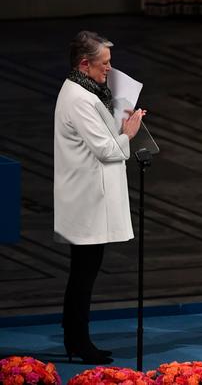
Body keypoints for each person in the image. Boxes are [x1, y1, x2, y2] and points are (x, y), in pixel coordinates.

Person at [54, 31, 145, 364]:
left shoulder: (86, 91)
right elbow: (106, 149)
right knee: (83, 274)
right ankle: (77, 341)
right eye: (104, 64)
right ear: (84, 63)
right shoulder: (79, 98)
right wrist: (128, 132)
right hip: (86, 198)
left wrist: (119, 123)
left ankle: (76, 339)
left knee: (84, 272)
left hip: (88, 195)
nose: (109, 69)